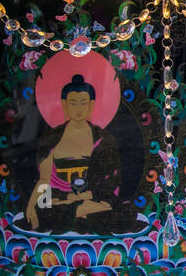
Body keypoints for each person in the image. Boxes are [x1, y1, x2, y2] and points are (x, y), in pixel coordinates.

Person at [26, 74, 136, 233]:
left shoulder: (103, 140)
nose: (78, 108)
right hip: (60, 199)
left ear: (92, 104)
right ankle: (84, 214)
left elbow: (111, 182)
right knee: (43, 210)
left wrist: (87, 196)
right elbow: (44, 180)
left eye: (83, 103)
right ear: (64, 104)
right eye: (73, 103)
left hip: (93, 198)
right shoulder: (52, 139)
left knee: (126, 212)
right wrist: (31, 205)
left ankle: (78, 214)